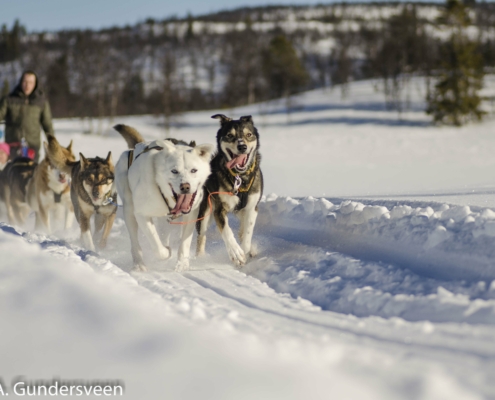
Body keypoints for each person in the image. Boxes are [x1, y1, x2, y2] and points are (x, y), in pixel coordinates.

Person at [0, 70, 54, 162]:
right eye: (25, 82)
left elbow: (47, 125)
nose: (27, 85)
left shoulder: (41, 102)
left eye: (31, 82)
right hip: (12, 146)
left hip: (32, 148)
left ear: (35, 84)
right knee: (11, 174)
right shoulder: (9, 99)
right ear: (21, 82)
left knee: (30, 174)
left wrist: (53, 145)